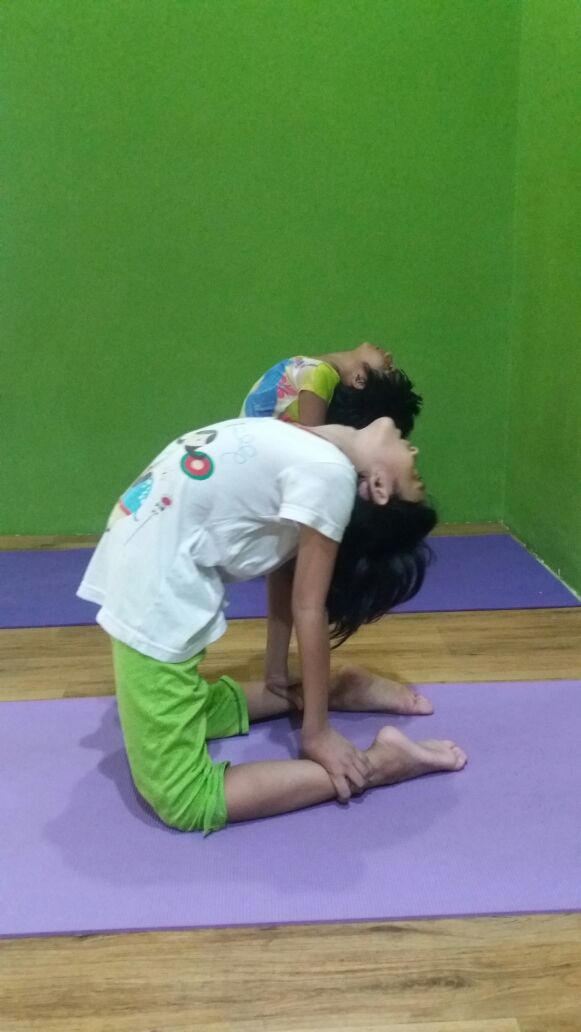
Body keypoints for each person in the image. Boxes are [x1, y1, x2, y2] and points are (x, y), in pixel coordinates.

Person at [78, 416, 466, 834]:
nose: (414, 450)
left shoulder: (328, 470)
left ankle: (381, 763)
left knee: (185, 800)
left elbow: (308, 607)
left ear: (379, 486)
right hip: (147, 577)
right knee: (191, 708)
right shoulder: (318, 445)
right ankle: (331, 689)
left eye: (414, 475)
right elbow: (285, 565)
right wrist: (275, 672)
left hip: (150, 593)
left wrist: (317, 733)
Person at [240, 342, 422, 436]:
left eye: (388, 369)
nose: (389, 355)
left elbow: (313, 443)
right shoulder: (317, 370)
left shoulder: (320, 375)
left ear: (359, 379)